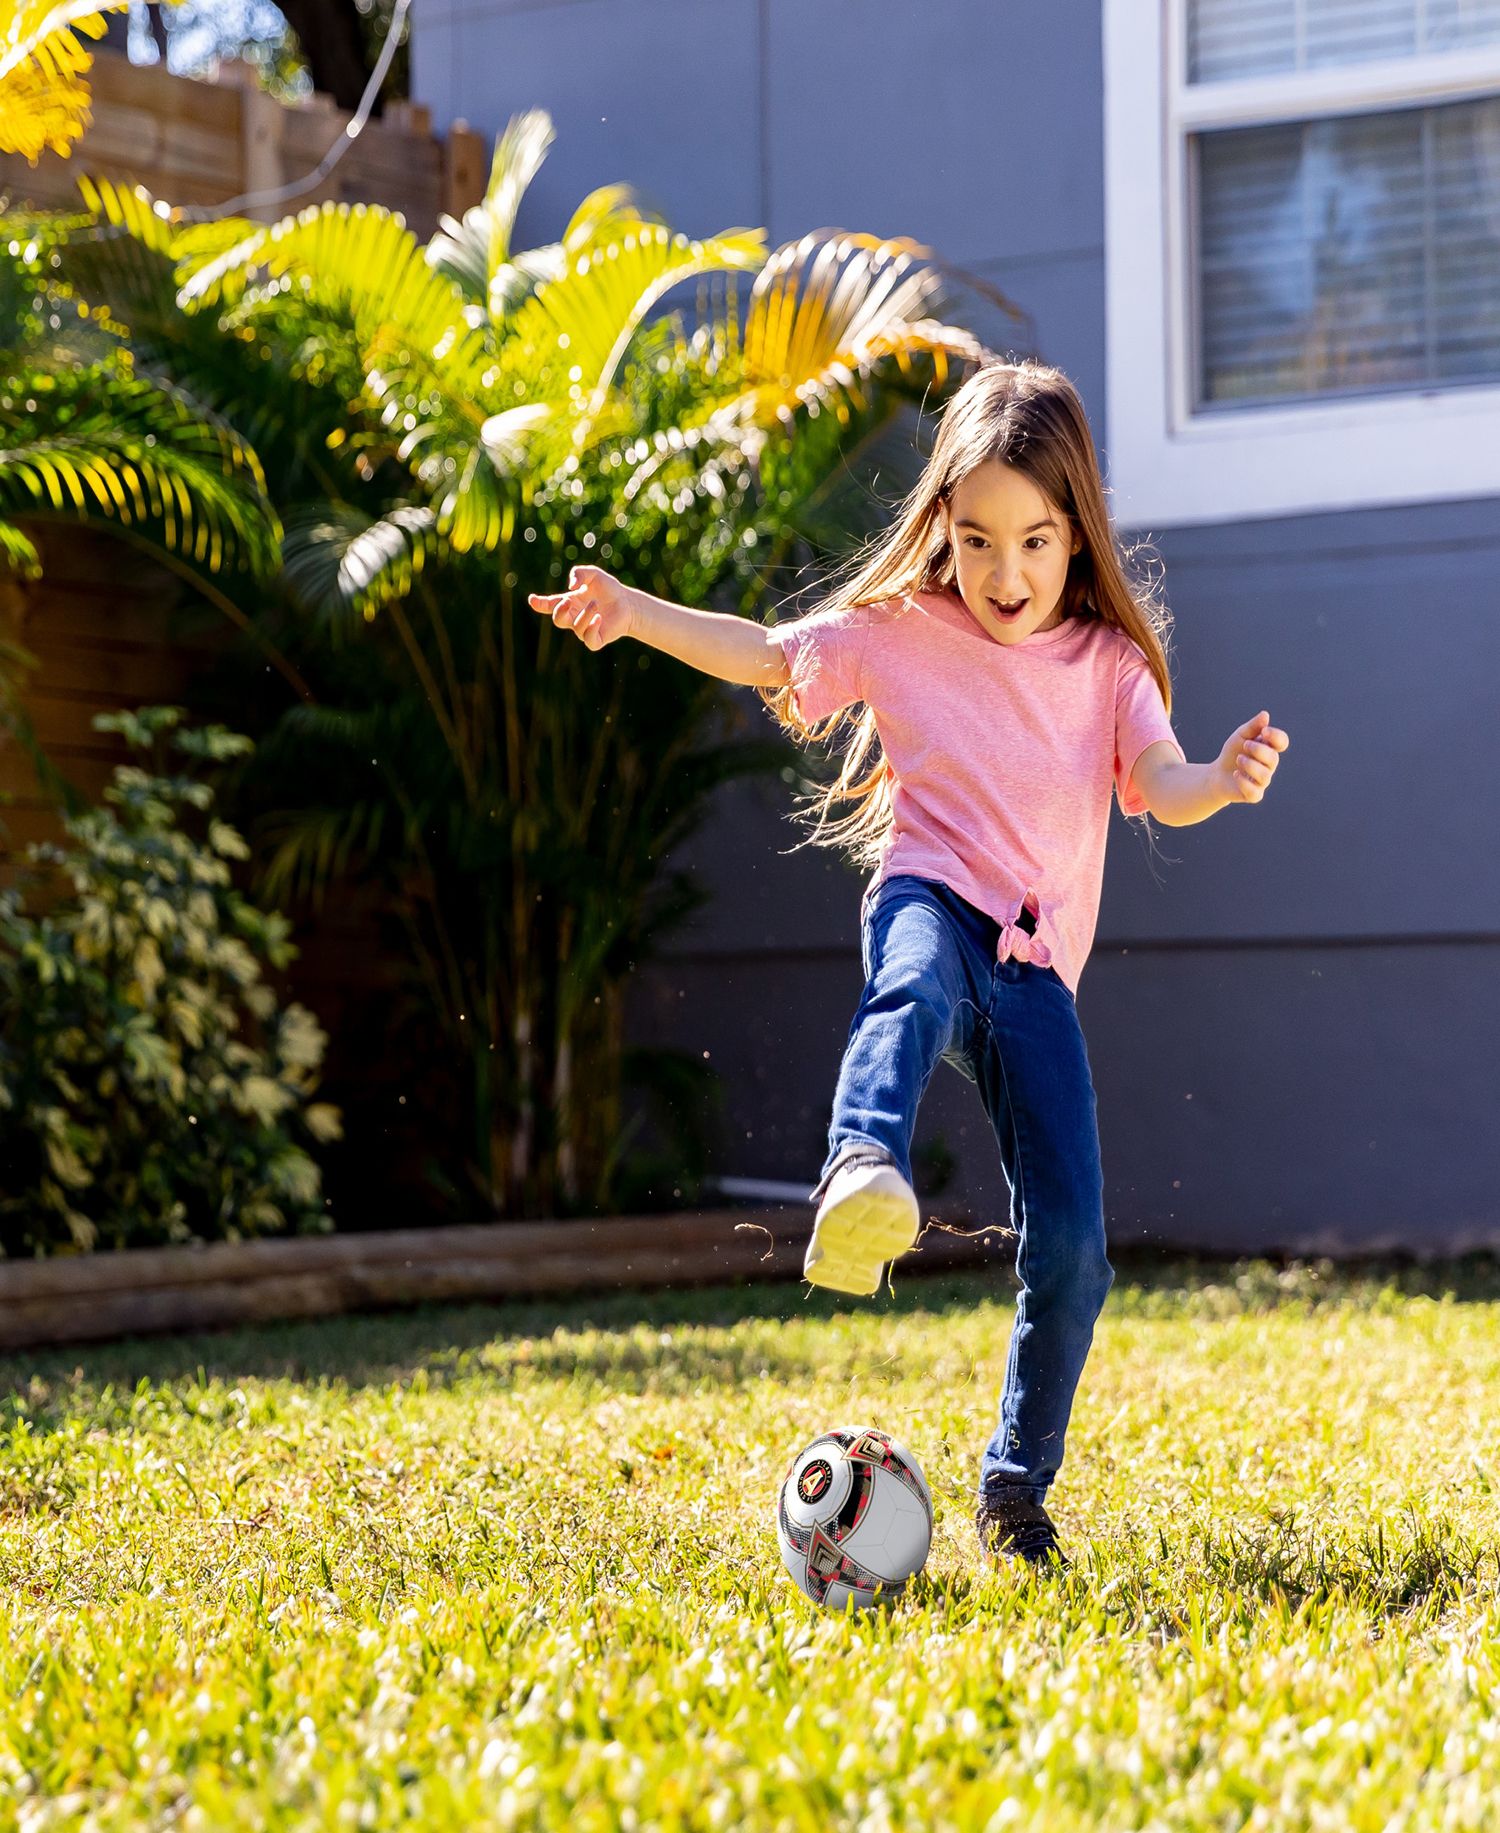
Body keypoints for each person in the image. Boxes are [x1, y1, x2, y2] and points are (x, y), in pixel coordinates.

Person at [528, 359, 1289, 1570]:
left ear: (1076, 534)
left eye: (1034, 542)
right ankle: (860, 1166)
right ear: (943, 523)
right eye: (977, 540)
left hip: (1036, 973)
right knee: (909, 989)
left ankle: (1016, 1489)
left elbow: (1160, 778)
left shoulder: (1107, 666)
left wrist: (1221, 781)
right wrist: (636, 614)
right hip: (931, 897)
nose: (1004, 574)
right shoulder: (900, 631)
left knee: (1074, 1252)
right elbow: (768, 653)